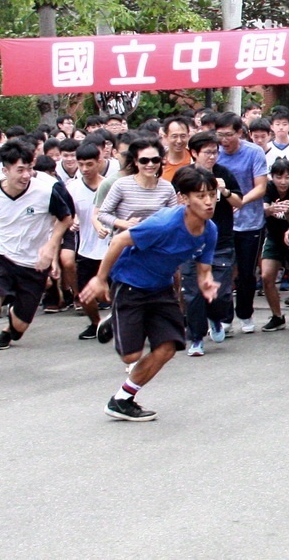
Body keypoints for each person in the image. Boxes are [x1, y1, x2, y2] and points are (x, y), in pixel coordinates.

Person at [80, 166, 220, 421]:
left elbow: (204, 268)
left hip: (161, 288)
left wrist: (207, 282)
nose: (209, 201)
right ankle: (116, 320)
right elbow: (119, 241)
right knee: (131, 356)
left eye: (212, 194)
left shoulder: (209, 230)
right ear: (184, 198)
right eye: (201, 196)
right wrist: (100, 279)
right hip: (130, 283)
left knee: (167, 348)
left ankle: (122, 400)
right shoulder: (165, 224)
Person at [0, 140, 72, 384]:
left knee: (20, 326)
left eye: (29, 169)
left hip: (33, 266)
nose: (26, 175)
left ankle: (12, 325)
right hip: (2, 258)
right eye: (19, 170)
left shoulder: (45, 191)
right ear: (5, 170)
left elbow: (65, 218)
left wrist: (50, 248)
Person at [95, 136, 178, 342]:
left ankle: (156, 326)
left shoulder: (166, 188)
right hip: (126, 249)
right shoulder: (122, 185)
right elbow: (103, 213)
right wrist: (124, 224)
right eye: (144, 160)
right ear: (135, 162)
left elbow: (175, 217)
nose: (150, 165)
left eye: (155, 160)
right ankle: (119, 320)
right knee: (126, 290)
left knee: (166, 284)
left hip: (156, 250)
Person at [184, 132, 242, 356]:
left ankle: (216, 318)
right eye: (207, 152)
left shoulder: (223, 173)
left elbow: (240, 201)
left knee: (221, 293)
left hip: (221, 241)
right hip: (190, 242)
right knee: (193, 293)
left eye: (215, 152)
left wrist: (224, 190)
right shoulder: (185, 176)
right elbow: (174, 203)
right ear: (194, 153)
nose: (212, 157)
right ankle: (196, 338)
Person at [215, 112, 269, 334]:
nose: (224, 140)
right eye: (220, 135)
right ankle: (225, 318)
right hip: (222, 223)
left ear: (239, 132)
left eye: (228, 135)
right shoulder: (214, 153)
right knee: (224, 271)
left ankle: (245, 315)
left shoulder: (253, 152)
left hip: (251, 222)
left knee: (247, 272)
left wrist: (240, 201)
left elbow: (261, 187)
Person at [67, 142, 113, 340]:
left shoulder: (111, 186)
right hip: (86, 249)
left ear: (99, 162)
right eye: (81, 164)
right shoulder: (72, 188)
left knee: (115, 292)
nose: (85, 169)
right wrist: (72, 221)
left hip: (111, 248)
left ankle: (120, 323)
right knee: (85, 295)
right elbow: (65, 215)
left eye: (89, 164)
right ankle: (96, 323)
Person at [260, 157, 289, 331]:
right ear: (272, 177)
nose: (283, 181)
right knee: (267, 276)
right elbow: (264, 208)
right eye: (279, 177)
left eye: (287, 177)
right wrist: (270, 209)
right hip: (273, 236)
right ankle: (277, 316)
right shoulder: (268, 188)